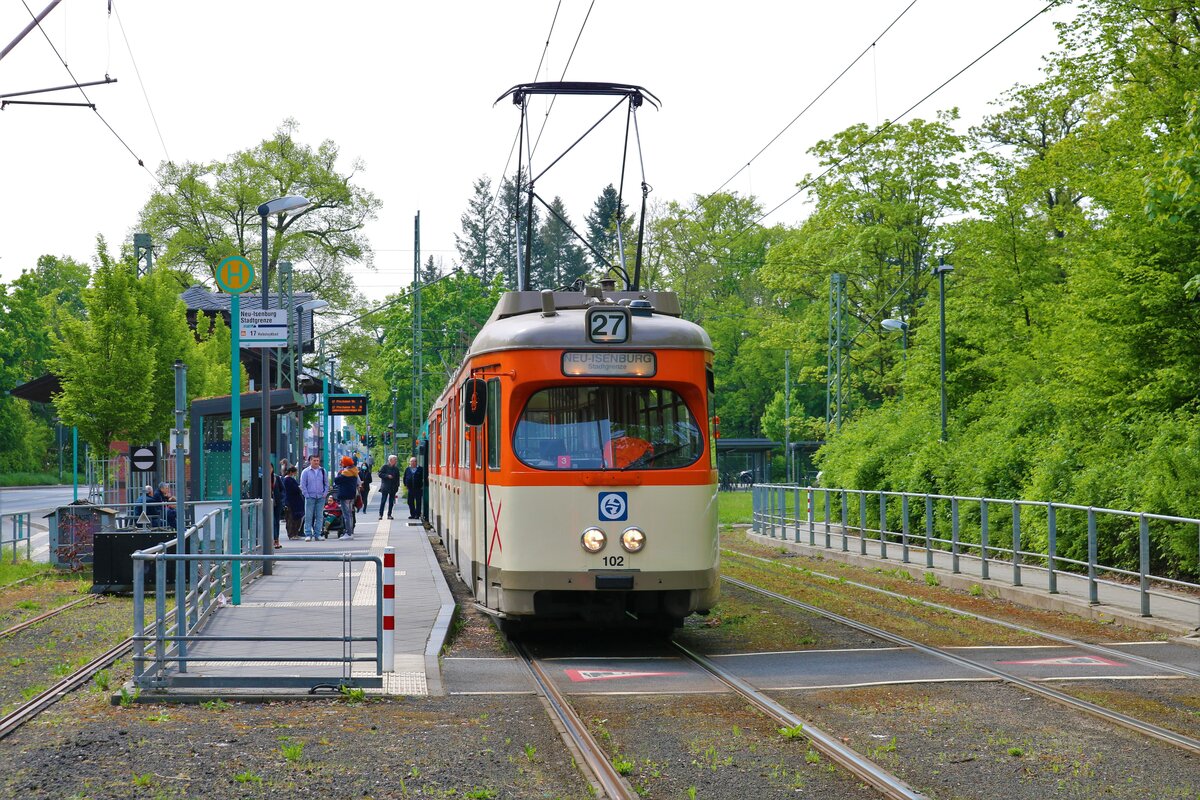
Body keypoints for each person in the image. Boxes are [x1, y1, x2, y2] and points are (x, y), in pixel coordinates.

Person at [299, 454, 328, 542]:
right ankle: (308, 534)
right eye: (314, 460)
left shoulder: (323, 471)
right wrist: (306, 495)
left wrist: (324, 494)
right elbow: (303, 485)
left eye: (317, 460)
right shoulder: (305, 472)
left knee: (319, 516)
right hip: (310, 497)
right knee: (308, 516)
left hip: (321, 497)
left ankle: (317, 534)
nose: (316, 462)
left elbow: (326, 483)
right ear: (310, 461)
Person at [333, 455, 360, 539]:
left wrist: (341, 472)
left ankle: (348, 533)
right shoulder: (354, 471)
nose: (340, 463)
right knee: (350, 514)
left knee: (346, 515)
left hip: (344, 495)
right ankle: (350, 532)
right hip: (351, 495)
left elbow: (336, 480)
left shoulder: (345, 473)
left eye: (342, 462)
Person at [283, 466, 304, 539]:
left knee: (294, 518)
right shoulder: (288, 480)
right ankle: (292, 534)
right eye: (295, 472)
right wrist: (299, 488)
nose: (296, 473)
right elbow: (294, 489)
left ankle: (295, 534)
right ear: (291, 472)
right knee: (291, 519)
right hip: (292, 502)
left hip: (294, 502)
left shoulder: (289, 479)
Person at [377, 455, 400, 520]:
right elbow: (379, 474)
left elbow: (398, 478)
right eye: (394, 460)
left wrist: (397, 486)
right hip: (385, 487)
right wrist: (387, 476)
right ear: (390, 460)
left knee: (391, 502)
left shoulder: (396, 469)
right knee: (383, 501)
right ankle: (380, 515)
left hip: (393, 487)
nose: (395, 461)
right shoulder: (385, 467)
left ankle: (389, 515)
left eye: (396, 460)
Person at [270, 464, 285, 549]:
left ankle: (276, 540)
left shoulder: (276, 478)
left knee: (276, 521)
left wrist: (281, 500)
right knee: (272, 522)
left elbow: (282, 489)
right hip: (267, 504)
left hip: (277, 503)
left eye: (270, 467)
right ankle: (273, 540)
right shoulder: (261, 478)